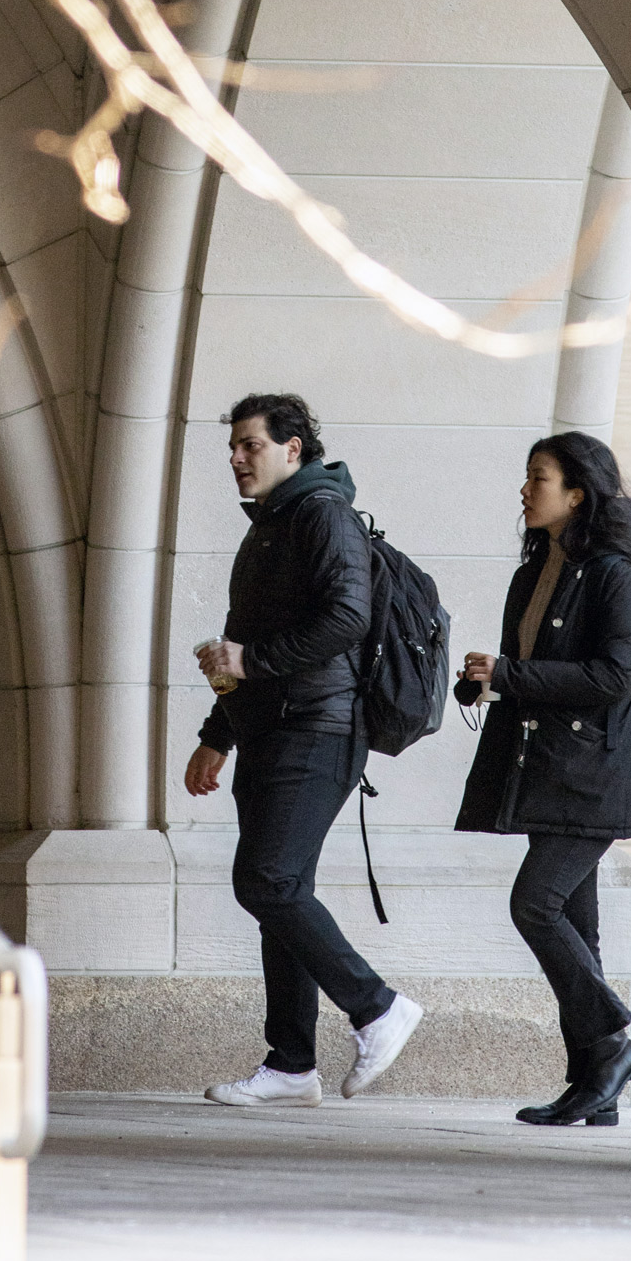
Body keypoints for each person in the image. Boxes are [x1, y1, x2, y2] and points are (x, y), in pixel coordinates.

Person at [187, 391, 424, 1108]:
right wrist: (215, 736)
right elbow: (242, 645)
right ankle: (290, 1064)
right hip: (271, 729)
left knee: (266, 882)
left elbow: (346, 618)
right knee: (280, 892)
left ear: (294, 449)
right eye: (232, 447)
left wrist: (249, 663)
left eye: (250, 446)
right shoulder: (273, 524)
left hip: (317, 729)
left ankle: (378, 1007)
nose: (235, 459)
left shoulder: (321, 514)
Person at [454, 431, 631, 1127]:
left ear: (577, 492)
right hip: (550, 771)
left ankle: (612, 1044)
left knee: (533, 904)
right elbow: (534, 668)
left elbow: (613, 678)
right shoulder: (535, 570)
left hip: (597, 776)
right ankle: (591, 1087)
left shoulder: (612, 573)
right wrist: (487, 683)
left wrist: (509, 676)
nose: (524, 488)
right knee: (576, 922)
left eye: (537, 477)